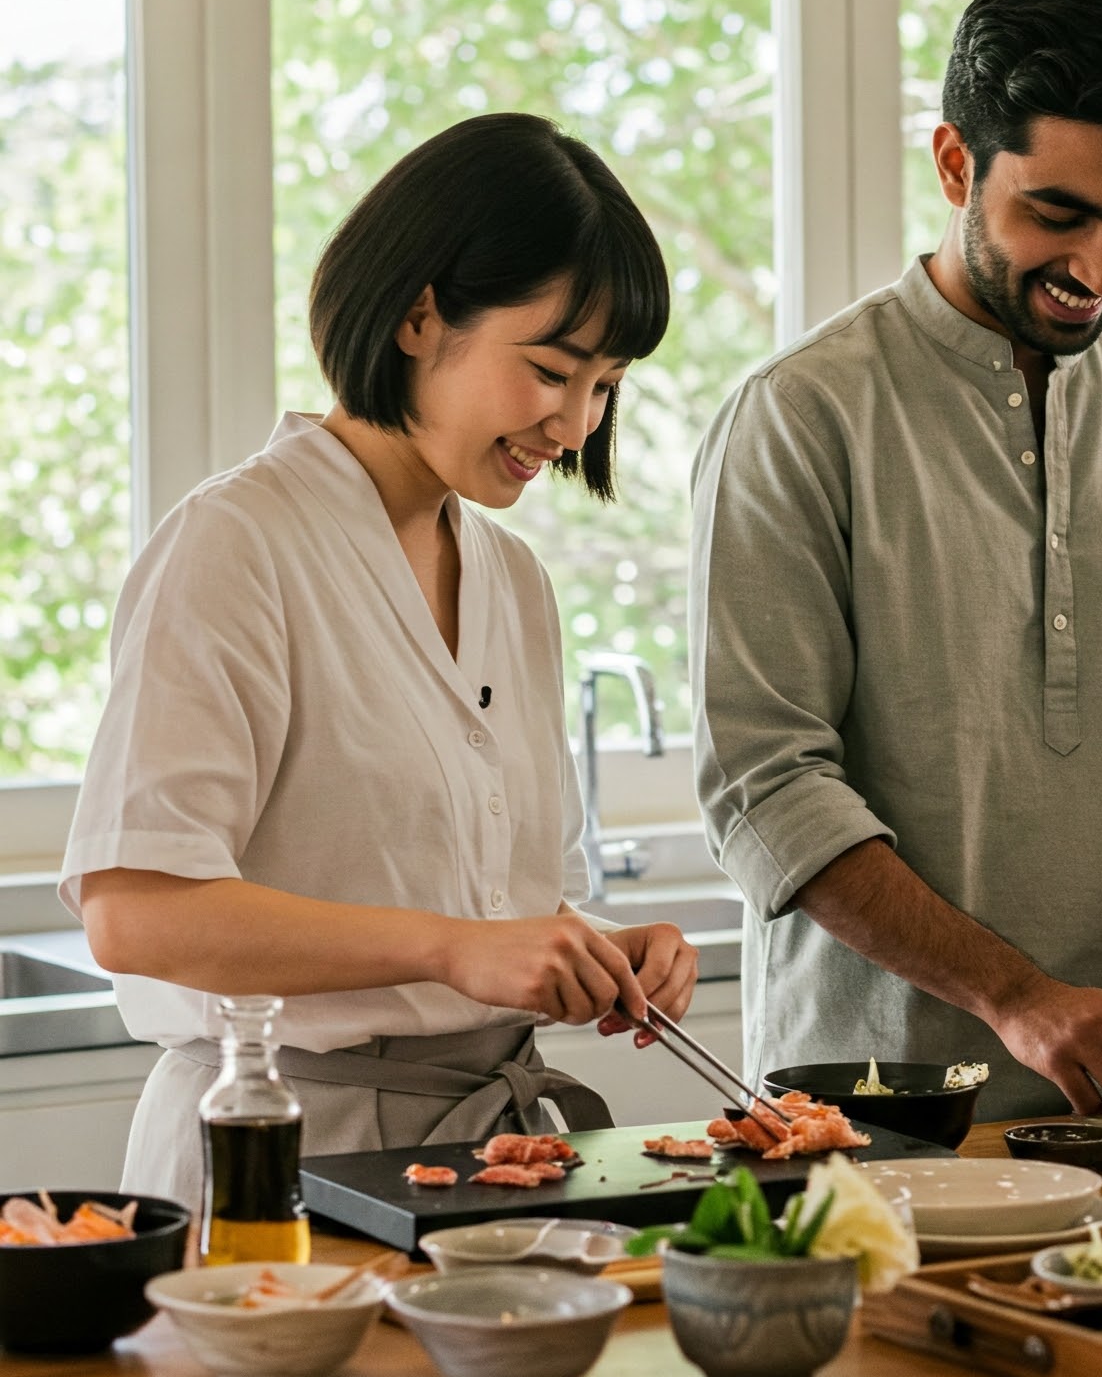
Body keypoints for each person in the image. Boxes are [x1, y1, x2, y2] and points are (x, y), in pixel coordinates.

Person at [691, 0, 1102, 1119]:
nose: (1099, 267)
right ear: (955, 161)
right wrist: (1018, 994)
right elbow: (768, 784)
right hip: (869, 1113)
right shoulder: (803, 413)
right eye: (1058, 214)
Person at [64, 114, 698, 1208]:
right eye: (550, 368)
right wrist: (456, 950)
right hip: (277, 1146)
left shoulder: (512, 579)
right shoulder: (237, 544)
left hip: (490, 1162)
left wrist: (592, 950)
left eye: (605, 384)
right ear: (417, 315)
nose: (576, 420)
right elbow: (135, 908)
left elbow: (480, 898)